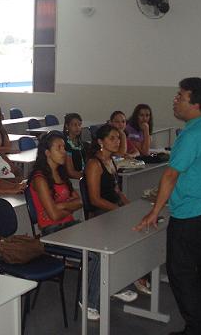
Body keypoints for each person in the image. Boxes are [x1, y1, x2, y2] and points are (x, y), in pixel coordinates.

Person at [135, 78, 201, 335]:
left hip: (191, 217)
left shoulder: (192, 134)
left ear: (196, 104)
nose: (175, 100)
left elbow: (170, 176)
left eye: (180, 96)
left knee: (182, 275)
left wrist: (154, 211)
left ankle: (197, 329)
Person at [27, 131, 102, 320]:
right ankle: (88, 301)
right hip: (52, 233)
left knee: (105, 242)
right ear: (47, 152)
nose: (63, 152)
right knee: (94, 255)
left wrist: (61, 206)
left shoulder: (60, 174)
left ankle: (105, 288)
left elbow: (79, 201)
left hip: (70, 227)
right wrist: (65, 206)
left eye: (63, 147)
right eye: (58, 148)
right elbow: (52, 215)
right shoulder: (39, 178)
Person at [85, 124, 150, 295]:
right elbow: (95, 199)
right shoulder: (94, 164)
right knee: (130, 231)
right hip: (100, 214)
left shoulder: (111, 161)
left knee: (141, 225)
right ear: (100, 142)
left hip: (113, 210)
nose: (117, 141)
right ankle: (124, 279)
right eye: (112, 138)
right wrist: (119, 210)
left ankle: (134, 274)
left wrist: (130, 207)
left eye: (118, 138)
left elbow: (117, 191)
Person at [62, 113, 89, 179]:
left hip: (83, 176)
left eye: (79, 125)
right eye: (74, 125)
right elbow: (70, 172)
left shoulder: (80, 142)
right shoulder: (65, 144)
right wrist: (88, 177)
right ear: (67, 126)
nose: (78, 127)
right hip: (72, 179)